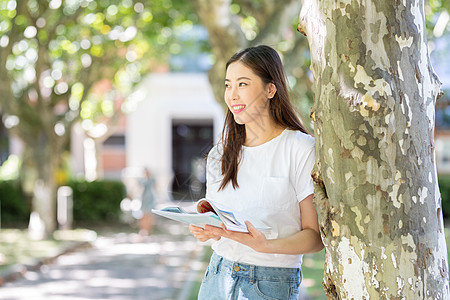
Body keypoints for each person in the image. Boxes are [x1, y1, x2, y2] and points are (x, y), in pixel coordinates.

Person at [189, 45, 324, 300]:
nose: (232, 95)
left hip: (269, 284)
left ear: (270, 89)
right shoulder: (220, 154)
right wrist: (208, 230)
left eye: (242, 84)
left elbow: (315, 237)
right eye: (228, 85)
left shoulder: (300, 149)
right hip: (217, 277)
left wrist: (266, 246)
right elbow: (220, 221)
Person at [138, 167, 157, 236]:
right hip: (144, 199)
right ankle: (143, 230)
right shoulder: (141, 180)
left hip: (150, 198)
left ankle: (148, 230)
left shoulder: (152, 180)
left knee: (150, 215)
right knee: (143, 215)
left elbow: (156, 188)